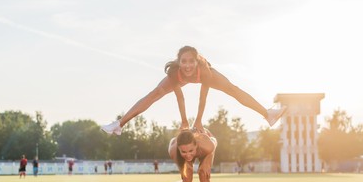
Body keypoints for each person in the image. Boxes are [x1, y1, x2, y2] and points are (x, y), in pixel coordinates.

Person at [101, 46, 286, 135]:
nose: (188, 65)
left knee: (232, 89)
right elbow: (180, 98)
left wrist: (197, 121)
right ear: (179, 62)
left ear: (196, 62)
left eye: (191, 61)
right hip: (178, 80)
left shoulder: (204, 70)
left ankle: (267, 114)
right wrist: (183, 121)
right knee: (154, 94)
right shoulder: (175, 73)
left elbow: (202, 97)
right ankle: (120, 124)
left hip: (207, 77)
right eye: (184, 61)